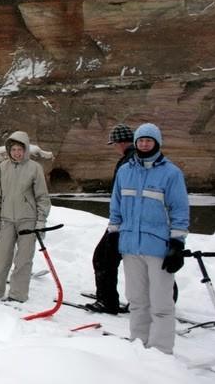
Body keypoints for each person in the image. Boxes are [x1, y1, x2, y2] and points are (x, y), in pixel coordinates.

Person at [108, 123, 189, 355]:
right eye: (140, 140)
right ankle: (138, 346)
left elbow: (180, 211)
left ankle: (161, 351)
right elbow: (116, 206)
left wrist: (177, 244)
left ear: (157, 142)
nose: (144, 144)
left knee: (161, 303)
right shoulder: (125, 171)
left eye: (148, 140)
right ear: (135, 143)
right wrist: (113, 235)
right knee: (137, 300)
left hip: (159, 248)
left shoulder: (171, 173)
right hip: (130, 246)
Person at [0, 131, 50, 303]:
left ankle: (17, 294)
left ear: (26, 149)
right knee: (1, 257)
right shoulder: (3, 167)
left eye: (20, 149)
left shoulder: (34, 168)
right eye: (13, 149)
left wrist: (41, 221)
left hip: (27, 221)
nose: (16, 153)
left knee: (23, 260)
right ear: (9, 150)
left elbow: (42, 197)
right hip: (6, 220)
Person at [85, 123, 135, 313]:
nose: (114, 147)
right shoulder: (139, 160)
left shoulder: (128, 162)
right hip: (131, 221)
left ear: (120, 142)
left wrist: (117, 222)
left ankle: (107, 301)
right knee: (143, 261)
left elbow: (120, 194)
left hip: (123, 222)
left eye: (114, 143)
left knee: (103, 259)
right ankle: (153, 299)